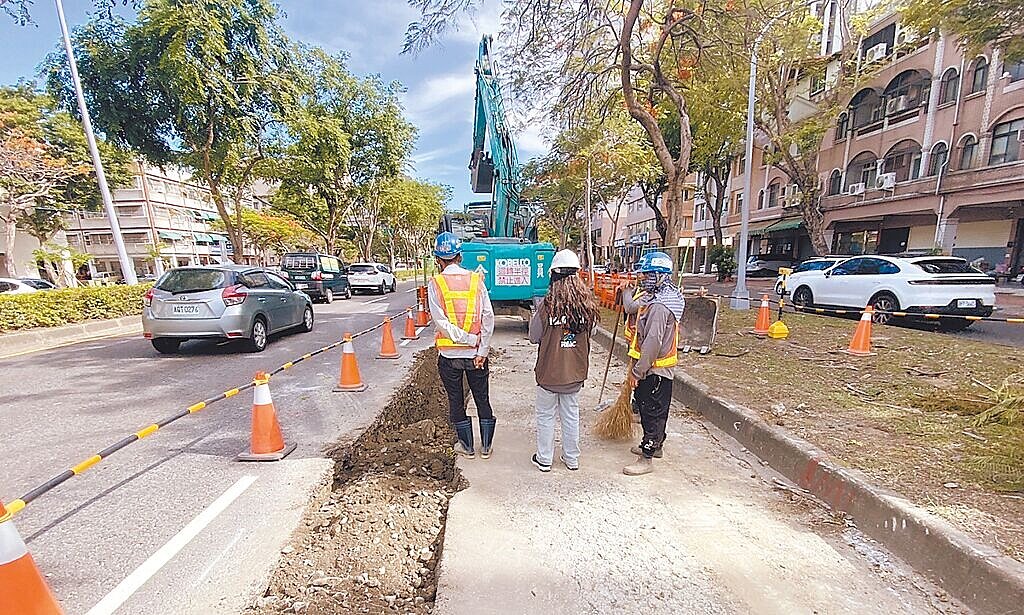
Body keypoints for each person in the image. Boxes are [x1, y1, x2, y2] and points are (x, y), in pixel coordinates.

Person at [427, 231, 497, 459]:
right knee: (482, 398)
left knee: (456, 401)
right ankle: (485, 447)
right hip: (476, 354)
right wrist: (481, 349)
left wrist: (465, 339)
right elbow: (488, 316)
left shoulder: (435, 283)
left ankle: (467, 447)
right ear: (459, 255)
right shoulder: (476, 280)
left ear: (438, 259)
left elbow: (440, 321)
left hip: (449, 357)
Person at [528, 249, 599, 472]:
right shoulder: (586, 307)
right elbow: (593, 333)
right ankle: (572, 459)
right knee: (571, 416)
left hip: (548, 374)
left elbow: (533, 337)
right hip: (574, 374)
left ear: (553, 275)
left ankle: (545, 459)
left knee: (546, 417)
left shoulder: (546, 306)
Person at [623, 251, 684, 476]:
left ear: (659, 276)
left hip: (655, 369)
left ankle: (647, 457)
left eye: (647, 274)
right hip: (655, 367)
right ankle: (655, 446)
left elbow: (652, 342)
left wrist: (638, 372)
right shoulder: (658, 298)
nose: (643, 278)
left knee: (652, 413)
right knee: (653, 410)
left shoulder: (659, 306)